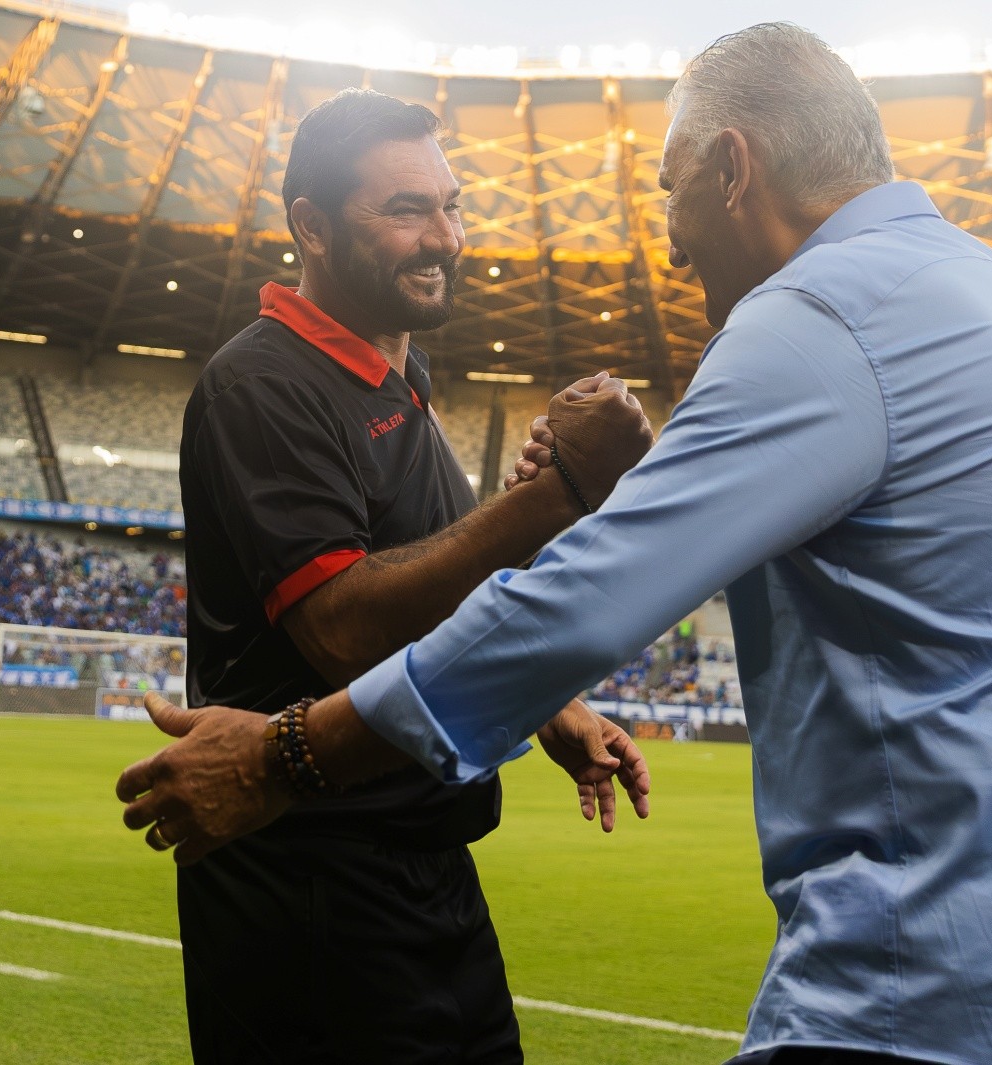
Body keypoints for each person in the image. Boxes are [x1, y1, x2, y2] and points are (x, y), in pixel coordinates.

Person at [118, 24, 992, 1064]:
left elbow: (582, 599)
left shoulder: (817, 320)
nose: (666, 243)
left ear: (732, 168)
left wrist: (282, 754)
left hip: (932, 988)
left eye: (670, 188)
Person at [162, 87, 655, 1065]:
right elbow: (341, 626)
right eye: (403, 211)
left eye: (451, 203)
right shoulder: (262, 384)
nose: (444, 236)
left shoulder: (403, 374)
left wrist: (550, 710)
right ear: (308, 225)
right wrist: (554, 493)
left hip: (422, 867)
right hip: (307, 880)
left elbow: (436, 585)